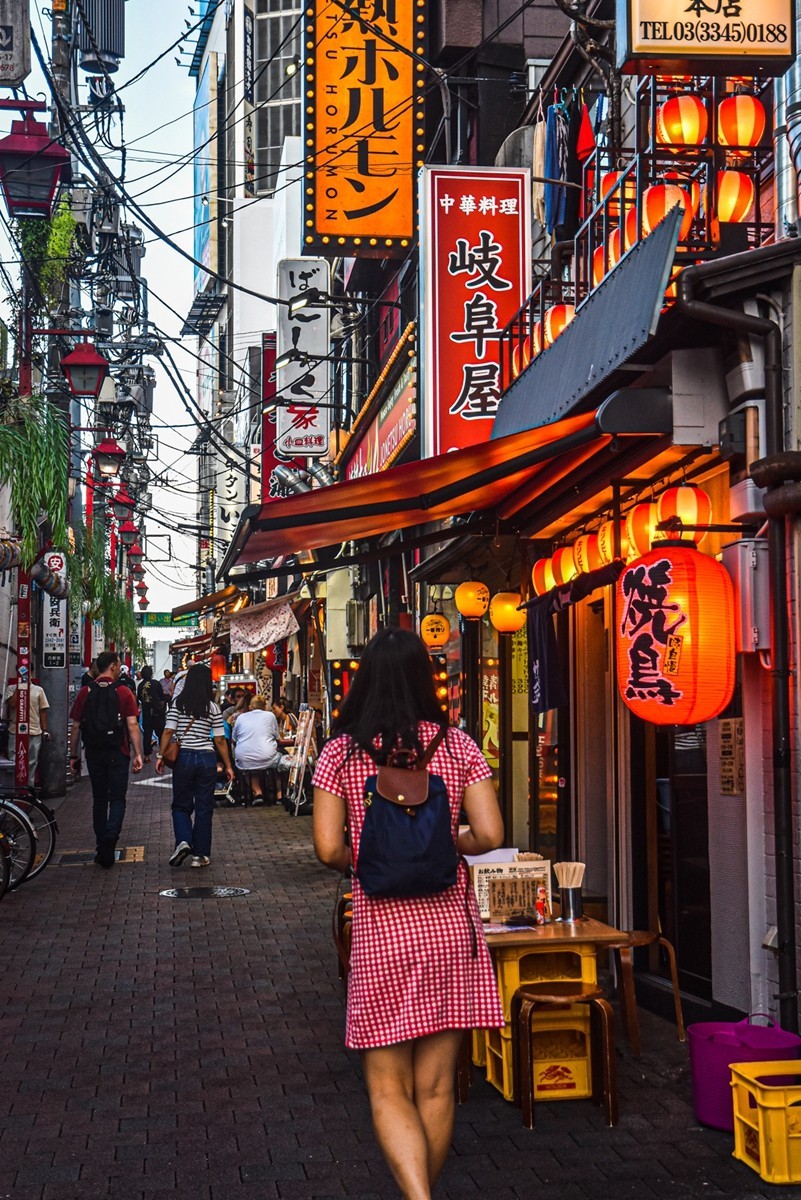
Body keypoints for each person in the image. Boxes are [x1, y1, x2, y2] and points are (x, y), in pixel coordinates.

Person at [312, 627, 505, 1200]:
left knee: (388, 1088)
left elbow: (326, 849)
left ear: (363, 679)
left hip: (381, 935)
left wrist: (369, 858)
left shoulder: (340, 752)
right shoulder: (458, 745)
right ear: (427, 678)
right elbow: (492, 833)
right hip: (449, 929)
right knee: (438, 1088)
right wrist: (446, 842)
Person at [69, 649, 144, 868]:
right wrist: (138, 754)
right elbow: (132, 725)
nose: (120, 668)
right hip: (118, 753)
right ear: (112, 666)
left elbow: (75, 728)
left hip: (93, 753)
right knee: (117, 798)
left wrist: (74, 756)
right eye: (118, 664)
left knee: (99, 799)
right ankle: (111, 835)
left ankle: (102, 844)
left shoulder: (85, 692)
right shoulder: (123, 692)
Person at [156, 663, 234, 868]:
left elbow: (167, 732)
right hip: (207, 758)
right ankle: (200, 855)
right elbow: (219, 740)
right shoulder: (213, 707)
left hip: (184, 758)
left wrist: (159, 756)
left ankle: (183, 840)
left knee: (181, 804)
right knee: (204, 806)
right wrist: (228, 765)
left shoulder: (178, 704)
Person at [231, 694, 289, 804]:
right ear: (264, 706)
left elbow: (234, 739)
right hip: (267, 757)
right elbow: (278, 738)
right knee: (279, 762)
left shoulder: (240, 718)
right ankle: (279, 794)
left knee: (252, 768)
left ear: (250, 707)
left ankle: (258, 793)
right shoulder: (270, 716)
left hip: (244, 759)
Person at [3, 675, 51, 786]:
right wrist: (21, 687)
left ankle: (29, 789)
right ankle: (14, 789)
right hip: (15, 731)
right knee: (14, 761)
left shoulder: (39, 690)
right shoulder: (11, 688)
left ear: (32, 673)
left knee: (32, 762)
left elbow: (43, 711)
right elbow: (12, 704)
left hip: (35, 731)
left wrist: (44, 730)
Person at [137, 665, 167, 763]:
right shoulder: (156, 683)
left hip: (146, 712)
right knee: (161, 734)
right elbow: (162, 698)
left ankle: (146, 756)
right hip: (158, 712)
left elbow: (140, 699)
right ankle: (163, 754)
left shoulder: (140, 686)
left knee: (147, 734)